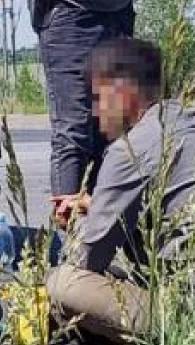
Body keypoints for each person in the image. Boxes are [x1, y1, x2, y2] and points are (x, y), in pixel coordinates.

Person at [46, 37, 195, 345]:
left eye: (98, 98)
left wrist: (75, 224)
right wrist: (97, 205)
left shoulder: (131, 150)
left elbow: (85, 261)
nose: (95, 113)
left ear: (122, 91)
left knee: (60, 283)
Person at [30, 0, 135, 224]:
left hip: (119, 12)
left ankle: (105, 244)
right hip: (71, 13)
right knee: (74, 131)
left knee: (115, 131)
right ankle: (76, 249)